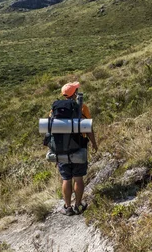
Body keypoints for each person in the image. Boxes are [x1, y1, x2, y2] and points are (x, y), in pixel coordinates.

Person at [53, 81, 98, 216]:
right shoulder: (82, 108)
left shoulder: (55, 109)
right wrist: (94, 143)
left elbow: (52, 131)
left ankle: (67, 207)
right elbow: (88, 128)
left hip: (61, 149)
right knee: (78, 177)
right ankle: (78, 205)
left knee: (66, 178)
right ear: (75, 93)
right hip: (79, 146)